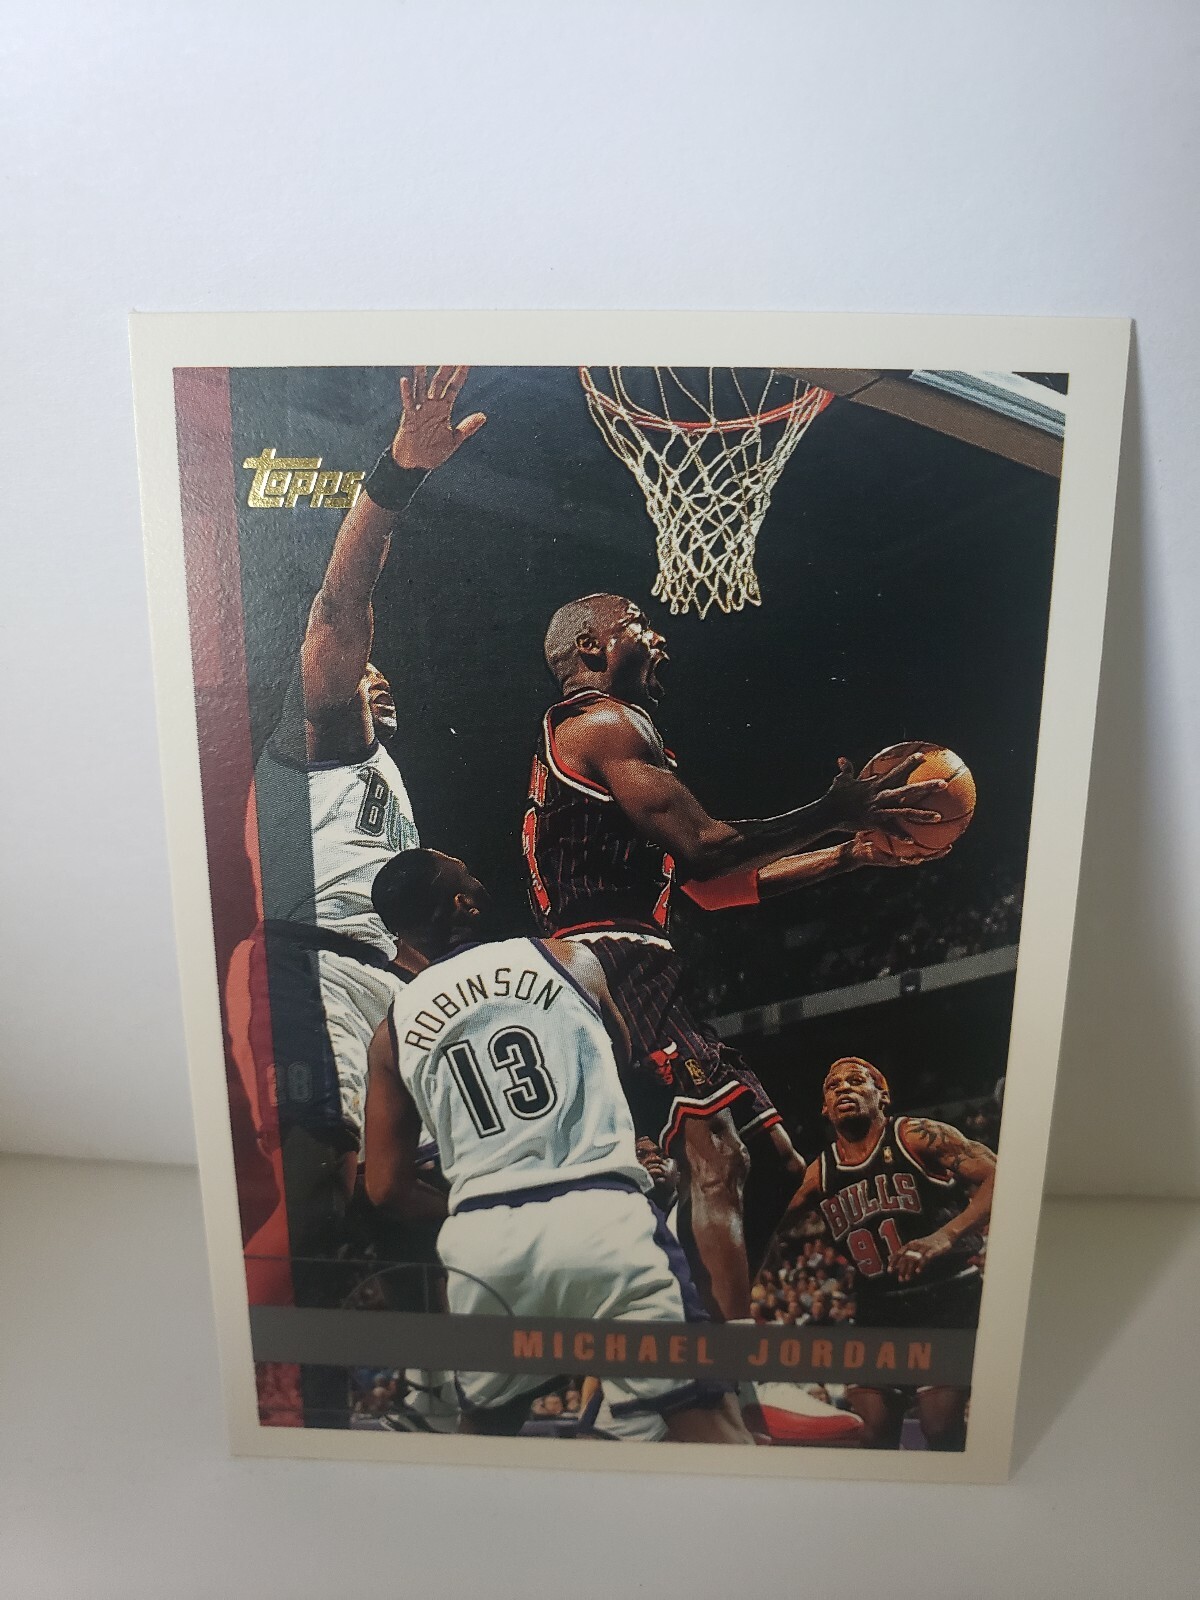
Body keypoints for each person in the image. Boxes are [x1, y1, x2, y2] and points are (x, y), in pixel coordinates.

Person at [521, 592, 948, 1319]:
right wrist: (832, 810)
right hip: (610, 963)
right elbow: (705, 845)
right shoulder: (606, 723)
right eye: (638, 625)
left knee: (779, 1167)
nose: (659, 639)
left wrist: (848, 853)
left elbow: (712, 888)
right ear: (591, 647)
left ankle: (682, 1311)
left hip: (634, 964)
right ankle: (723, 1359)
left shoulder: (603, 740)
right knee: (717, 1156)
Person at [224, 367, 486, 1420]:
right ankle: (232, 1366)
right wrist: (397, 476)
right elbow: (341, 608)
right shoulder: (318, 736)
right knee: (320, 1200)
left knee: (393, 1204)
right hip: (305, 967)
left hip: (374, 991)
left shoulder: (379, 777)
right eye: (359, 667)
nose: (372, 672)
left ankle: (412, 1396)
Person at [362, 848, 754, 1445]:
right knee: (710, 1425)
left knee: (483, 1437)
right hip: (599, 1214)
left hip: (485, 1244)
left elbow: (384, 1186)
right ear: (465, 903)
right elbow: (621, 1056)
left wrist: (472, 1208)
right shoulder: (566, 957)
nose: (480, 877)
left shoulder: (389, 1033)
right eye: (469, 873)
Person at [767, 1056, 996, 1449]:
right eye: (833, 1085)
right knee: (869, 1430)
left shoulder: (916, 1135)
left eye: (857, 1081)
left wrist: (944, 1236)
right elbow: (760, 1226)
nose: (844, 1087)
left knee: (940, 1427)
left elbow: (998, 1172)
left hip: (946, 1297)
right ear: (825, 1108)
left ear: (882, 1096)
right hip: (878, 1308)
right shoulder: (818, 1174)